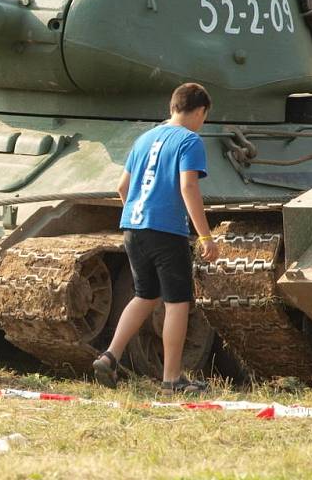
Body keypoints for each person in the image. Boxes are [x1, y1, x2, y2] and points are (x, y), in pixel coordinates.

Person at [92, 82, 219, 395]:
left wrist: (140, 216)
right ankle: (172, 379)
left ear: (172, 107)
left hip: (133, 228)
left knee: (145, 295)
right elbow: (189, 187)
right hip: (167, 231)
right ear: (201, 111)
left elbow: (122, 187)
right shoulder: (189, 141)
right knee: (177, 303)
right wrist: (205, 236)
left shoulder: (144, 138)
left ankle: (109, 356)